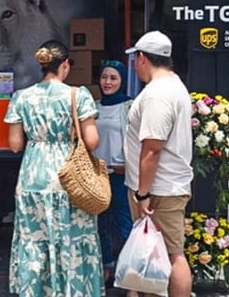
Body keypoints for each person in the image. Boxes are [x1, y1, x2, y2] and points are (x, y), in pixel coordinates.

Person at [4, 40, 104, 296]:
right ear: (65, 65)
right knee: (71, 239)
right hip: (69, 178)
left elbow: (15, 144)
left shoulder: (21, 97)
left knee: (34, 241)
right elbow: (91, 141)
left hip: (32, 176)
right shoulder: (78, 95)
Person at [123, 30, 194, 297]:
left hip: (158, 190)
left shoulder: (156, 94)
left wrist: (143, 193)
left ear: (141, 58)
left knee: (173, 255)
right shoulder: (175, 85)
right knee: (155, 256)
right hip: (166, 186)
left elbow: (152, 149)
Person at [95, 60, 136, 294]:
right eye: (104, 77)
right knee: (100, 224)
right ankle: (105, 267)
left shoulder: (130, 106)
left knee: (124, 226)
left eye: (113, 78)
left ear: (121, 80)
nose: (107, 82)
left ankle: (130, 274)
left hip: (121, 174)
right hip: (97, 176)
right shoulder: (93, 106)